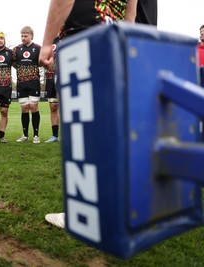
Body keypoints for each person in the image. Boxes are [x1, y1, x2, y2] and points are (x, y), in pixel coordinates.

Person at [38, 0, 137, 228]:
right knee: (109, 126)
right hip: (114, 37)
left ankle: (83, 210)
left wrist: (46, 42)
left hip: (83, 38)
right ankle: (115, 205)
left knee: (83, 128)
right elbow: (131, 12)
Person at [12, 26, 42, 144]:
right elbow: (14, 63)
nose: (23, 38)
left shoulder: (37, 48)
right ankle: (25, 135)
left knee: (34, 107)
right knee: (24, 108)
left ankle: (36, 135)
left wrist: (31, 71)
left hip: (34, 82)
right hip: (21, 83)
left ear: (31, 36)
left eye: (25, 36)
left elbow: (41, 62)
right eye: (22, 36)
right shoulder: (16, 49)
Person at [44, 37, 60, 143]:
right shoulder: (48, 42)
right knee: (53, 107)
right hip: (50, 79)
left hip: (65, 77)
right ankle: (55, 136)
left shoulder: (67, 37)